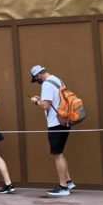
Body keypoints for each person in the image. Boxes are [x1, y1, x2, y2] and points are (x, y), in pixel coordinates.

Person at [29, 65, 74, 197]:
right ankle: (68, 181)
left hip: (55, 123)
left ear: (38, 75)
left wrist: (35, 101)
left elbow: (46, 105)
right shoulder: (57, 80)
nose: (37, 81)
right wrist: (41, 100)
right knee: (59, 153)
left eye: (36, 79)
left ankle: (63, 187)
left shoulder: (47, 84)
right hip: (64, 121)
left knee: (57, 154)